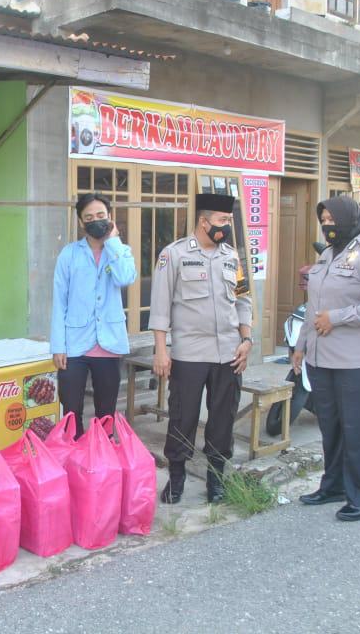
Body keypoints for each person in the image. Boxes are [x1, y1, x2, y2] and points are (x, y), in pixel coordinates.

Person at [293, 195, 360, 522]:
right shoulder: (326, 256)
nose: (327, 226)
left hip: (359, 362)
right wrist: (300, 344)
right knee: (332, 428)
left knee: (358, 429)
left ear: (349, 219)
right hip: (324, 360)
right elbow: (313, 307)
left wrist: (337, 318)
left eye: (332, 220)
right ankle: (333, 485)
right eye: (323, 221)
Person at [149, 193, 253, 504]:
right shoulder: (174, 255)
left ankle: (216, 479)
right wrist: (160, 350)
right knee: (184, 417)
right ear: (203, 221)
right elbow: (160, 306)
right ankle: (177, 478)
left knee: (223, 419)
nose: (226, 227)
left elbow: (244, 301)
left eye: (229, 221)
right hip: (189, 354)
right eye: (221, 221)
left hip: (229, 355)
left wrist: (247, 340)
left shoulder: (233, 257)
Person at [50, 193, 137, 439]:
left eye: (101, 215)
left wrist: (113, 242)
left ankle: (102, 460)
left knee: (105, 412)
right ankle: (73, 456)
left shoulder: (120, 251)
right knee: (71, 409)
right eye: (89, 217)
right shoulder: (69, 254)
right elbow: (60, 301)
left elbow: (125, 278)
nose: (95, 221)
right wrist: (58, 346)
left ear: (109, 218)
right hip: (75, 345)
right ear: (81, 222)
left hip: (109, 344)